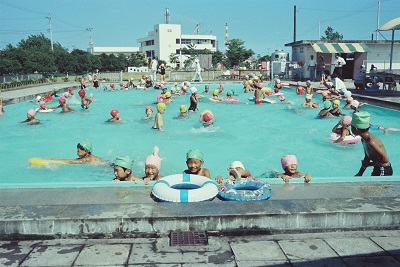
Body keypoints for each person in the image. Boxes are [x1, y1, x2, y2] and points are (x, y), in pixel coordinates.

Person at [351, 112, 392, 176]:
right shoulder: (363, 140)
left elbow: (385, 159)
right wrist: (360, 172)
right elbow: (367, 157)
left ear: (356, 129)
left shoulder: (371, 142)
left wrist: (369, 164)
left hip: (384, 170)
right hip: (378, 167)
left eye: (351, 127)